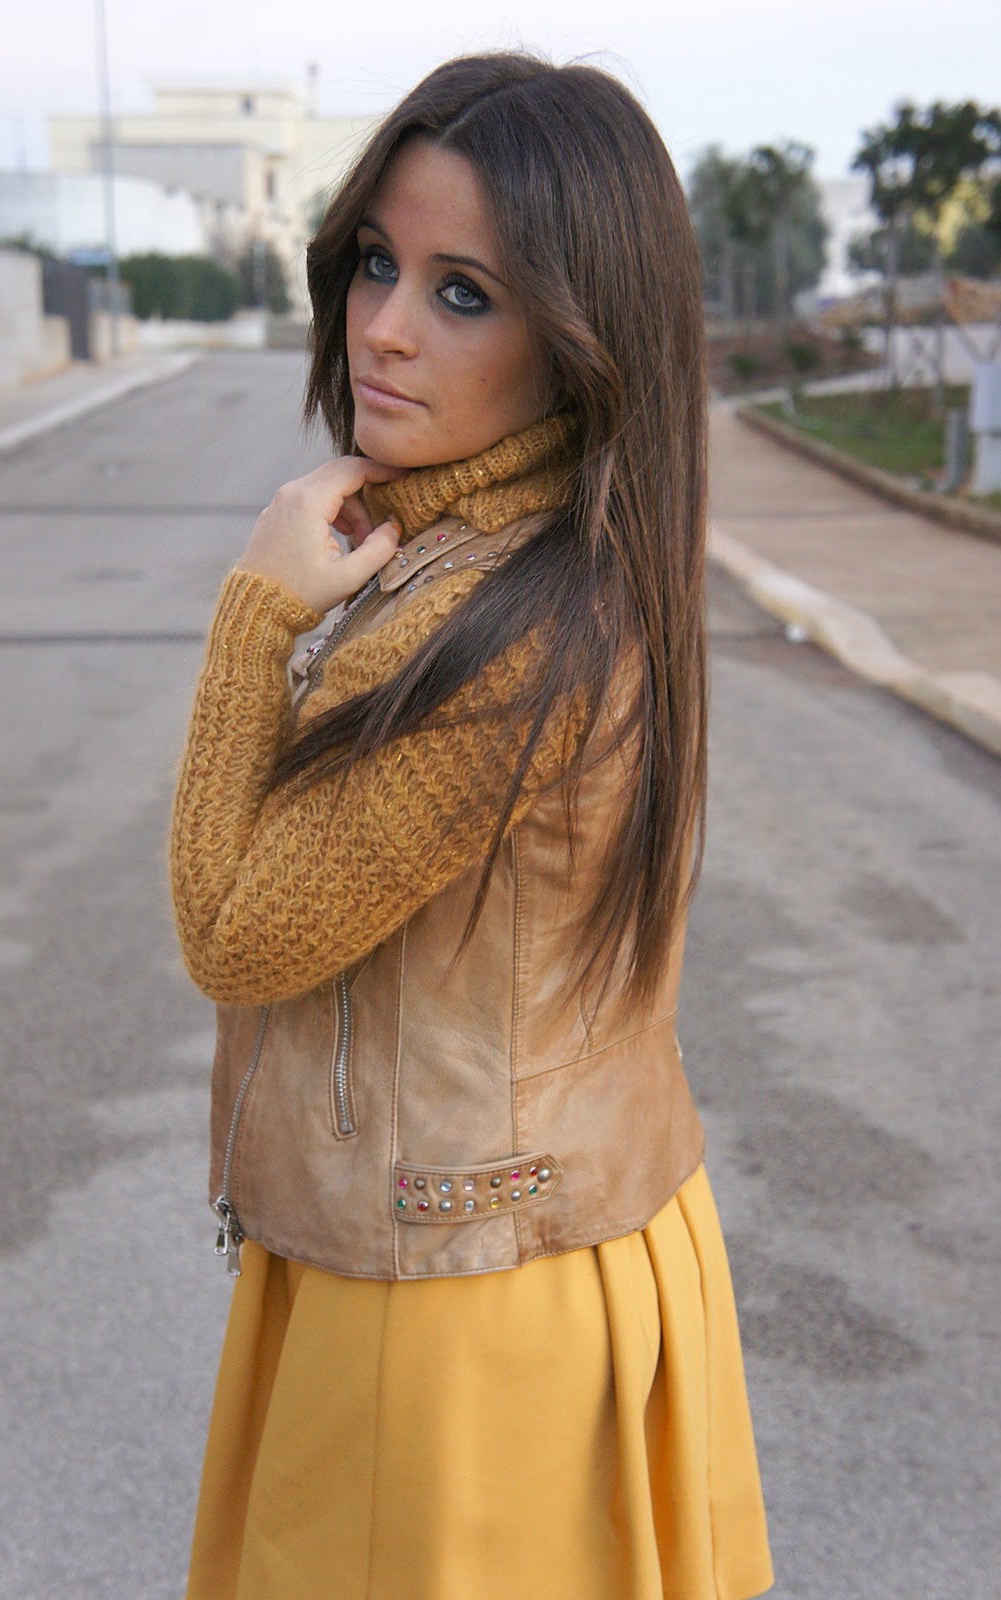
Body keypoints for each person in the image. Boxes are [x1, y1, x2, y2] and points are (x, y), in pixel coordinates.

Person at [169, 50, 774, 1600]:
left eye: (463, 294)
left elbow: (233, 935)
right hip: (501, 1253)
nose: (383, 326)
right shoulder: (544, 556)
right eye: (378, 262)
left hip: (453, 1312)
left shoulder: (509, 629)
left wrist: (253, 620)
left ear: (580, 339)